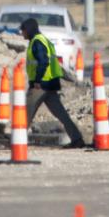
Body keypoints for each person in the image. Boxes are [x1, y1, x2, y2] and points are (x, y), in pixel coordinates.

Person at [19, 17, 86, 148]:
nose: (22, 33)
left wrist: (37, 81)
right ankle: (77, 139)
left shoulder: (37, 42)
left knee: (25, 112)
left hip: (41, 85)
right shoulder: (43, 40)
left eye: (23, 30)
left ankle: (18, 140)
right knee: (62, 115)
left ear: (29, 30)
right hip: (50, 84)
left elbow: (44, 62)